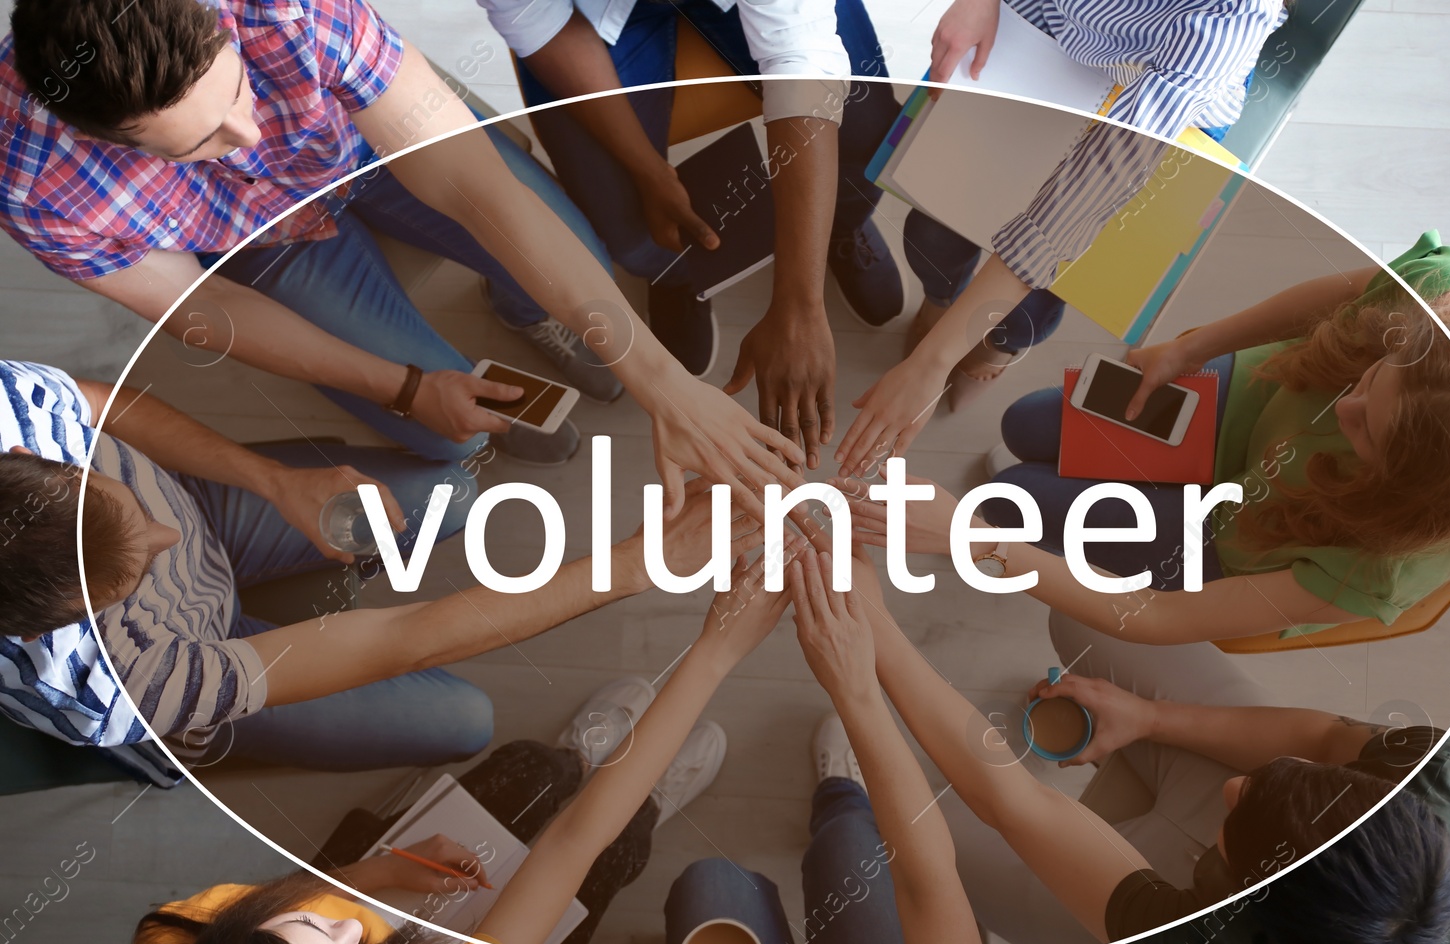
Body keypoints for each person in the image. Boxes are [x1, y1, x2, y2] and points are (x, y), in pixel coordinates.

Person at [4, 0, 805, 488]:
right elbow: (202, 305)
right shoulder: (29, 183)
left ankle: (523, 307)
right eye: (199, 142)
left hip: (368, 144)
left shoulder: (286, 9)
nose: (246, 137)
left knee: (571, 254)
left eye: (239, 91)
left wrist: (661, 381)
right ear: (101, 137)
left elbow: (471, 186)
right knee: (439, 437)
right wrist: (405, 388)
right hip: (248, 247)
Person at [120, 557, 788, 944]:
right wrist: (714, 652)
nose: (359, 928)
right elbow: (573, 843)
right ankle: (645, 805)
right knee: (611, 854)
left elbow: (308, 895)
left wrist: (381, 871)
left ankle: (572, 761)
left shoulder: (170, 941)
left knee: (530, 770)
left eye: (307, 923)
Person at [851, 554, 1450, 944]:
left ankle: (847, 786)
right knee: (1094, 618)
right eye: (1278, 780)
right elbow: (1326, 738)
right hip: (1306, 907)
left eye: (1234, 822)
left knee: (917, 832)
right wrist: (1151, 718)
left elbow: (1015, 804)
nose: (1231, 785)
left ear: (1244, 900)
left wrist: (869, 639)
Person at [0, 359, 758, 774]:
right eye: (133, 574)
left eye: (122, 500)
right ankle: (220, 746)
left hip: (215, 510)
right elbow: (402, 638)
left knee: (448, 495)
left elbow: (105, 403)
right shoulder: (114, 691)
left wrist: (269, 479)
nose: (166, 537)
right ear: (63, 622)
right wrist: (635, 564)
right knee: (466, 721)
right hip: (203, 661)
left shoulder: (11, 406)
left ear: (31, 456)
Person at [844, 234, 1450, 645]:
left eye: (1370, 435)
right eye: (1372, 379)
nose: (1343, 412)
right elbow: (1336, 298)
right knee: (1027, 421)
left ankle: (1013, 511)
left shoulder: (1386, 572)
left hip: (1222, 537)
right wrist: (1194, 347)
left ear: (1416, 494)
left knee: (1009, 503)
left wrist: (976, 543)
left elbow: (1162, 618)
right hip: (1238, 396)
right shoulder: (1445, 293)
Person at [837, 0, 1287, 450]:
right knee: (933, 232)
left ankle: (997, 341)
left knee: (1040, 294)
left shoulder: (1237, 12)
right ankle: (943, 301)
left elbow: (1102, 177)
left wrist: (932, 361)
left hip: (1164, 111)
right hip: (1040, 38)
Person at [630, 543, 1011, 944]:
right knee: (852, 837)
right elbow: (931, 886)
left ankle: (649, 806)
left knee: (710, 879)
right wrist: (858, 690)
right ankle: (842, 793)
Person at [480, 0, 903, 468]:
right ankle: (680, 274)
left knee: (866, 135)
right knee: (626, 229)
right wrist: (649, 172)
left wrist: (800, 303)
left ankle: (840, 227)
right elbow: (539, 18)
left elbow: (801, 53)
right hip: (589, 15)